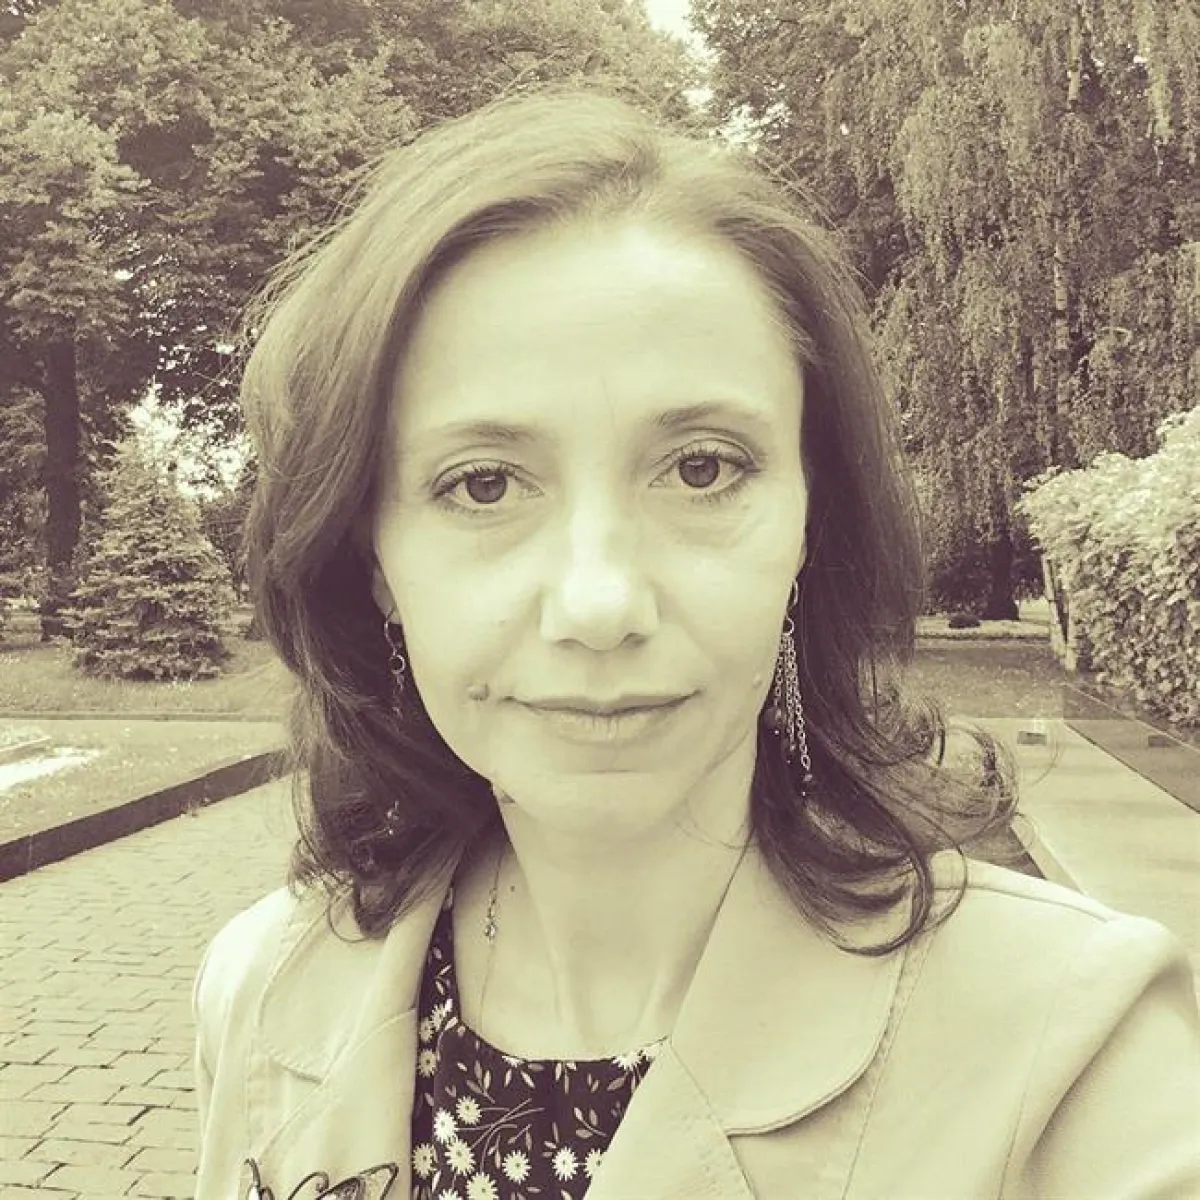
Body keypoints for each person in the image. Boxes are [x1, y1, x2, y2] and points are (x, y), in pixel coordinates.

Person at [192, 83, 1200, 1200]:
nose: (599, 604)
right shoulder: (261, 988)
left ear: (811, 524)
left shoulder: (1082, 1057)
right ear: (375, 558)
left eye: (702, 468)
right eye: (483, 484)